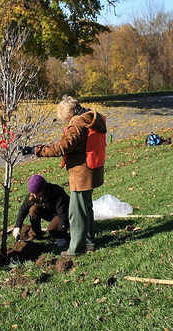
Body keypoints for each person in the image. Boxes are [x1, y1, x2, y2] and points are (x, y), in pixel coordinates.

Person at [21, 96, 107, 257]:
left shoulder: (78, 125)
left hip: (82, 173)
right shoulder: (93, 118)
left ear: (70, 114)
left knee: (76, 212)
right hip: (93, 169)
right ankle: (89, 241)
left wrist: (35, 150)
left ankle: (76, 248)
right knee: (87, 208)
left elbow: (61, 148)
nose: (66, 122)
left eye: (65, 119)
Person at [12, 174, 70, 248]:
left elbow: (63, 215)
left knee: (51, 230)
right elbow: (23, 209)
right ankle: (36, 234)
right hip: (51, 213)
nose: (35, 196)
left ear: (43, 189)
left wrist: (61, 236)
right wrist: (17, 226)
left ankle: (64, 233)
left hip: (66, 214)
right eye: (33, 193)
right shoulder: (33, 194)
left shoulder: (57, 192)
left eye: (37, 193)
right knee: (33, 209)